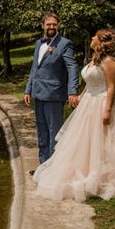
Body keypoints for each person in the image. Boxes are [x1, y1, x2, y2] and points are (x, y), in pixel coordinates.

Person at [33, 29, 115, 201]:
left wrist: (107, 110)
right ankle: (88, 170)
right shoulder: (95, 59)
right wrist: (81, 97)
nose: (91, 38)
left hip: (102, 102)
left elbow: (111, 87)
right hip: (89, 102)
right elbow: (90, 83)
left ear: (101, 41)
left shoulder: (109, 62)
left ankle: (107, 177)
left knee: (105, 141)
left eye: (94, 36)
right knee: (86, 141)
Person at [24, 13, 79, 166]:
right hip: (38, 94)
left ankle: (54, 169)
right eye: (48, 24)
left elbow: (72, 67)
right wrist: (28, 90)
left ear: (58, 25)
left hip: (54, 95)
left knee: (54, 134)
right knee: (42, 133)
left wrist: (72, 91)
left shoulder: (64, 44)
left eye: (54, 24)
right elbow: (35, 68)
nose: (51, 27)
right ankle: (43, 166)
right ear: (43, 25)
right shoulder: (38, 43)